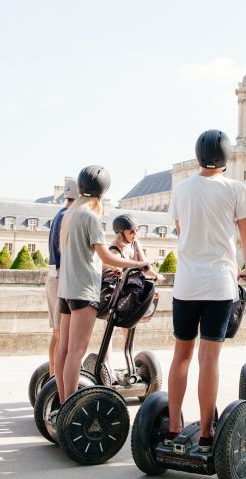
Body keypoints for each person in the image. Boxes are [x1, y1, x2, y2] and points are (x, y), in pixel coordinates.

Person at [166, 129, 246, 451]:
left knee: (181, 356)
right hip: (219, 283)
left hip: (187, 282)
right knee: (209, 359)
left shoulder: (182, 189)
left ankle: (174, 426)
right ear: (226, 157)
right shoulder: (236, 188)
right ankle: (206, 432)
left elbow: (180, 230)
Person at [54, 166, 149, 408]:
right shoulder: (90, 216)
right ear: (102, 192)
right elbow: (106, 257)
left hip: (66, 291)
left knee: (63, 351)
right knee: (76, 352)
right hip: (84, 290)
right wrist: (140, 263)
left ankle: (64, 403)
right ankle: (70, 409)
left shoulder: (70, 214)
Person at [101, 213, 162, 360]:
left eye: (136, 230)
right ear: (121, 233)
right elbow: (106, 265)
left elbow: (145, 264)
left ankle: (129, 364)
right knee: (109, 330)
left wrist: (155, 275)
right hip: (115, 294)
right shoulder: (114, 249)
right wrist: (115, 269)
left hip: (130, 293)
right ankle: (106, 365)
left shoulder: (136, 244)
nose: (135, 234)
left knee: (128, 330)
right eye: (131, 232)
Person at [45, 179, 77, 376]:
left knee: (58, 332)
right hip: (60, 277)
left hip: (54, 275)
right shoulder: (67, 216)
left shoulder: (61, 214)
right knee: (59, 332)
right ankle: (54, 378)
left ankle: (53, 375)